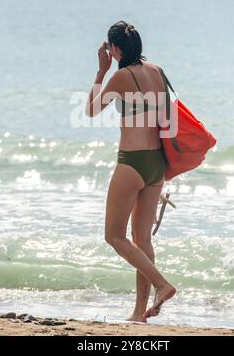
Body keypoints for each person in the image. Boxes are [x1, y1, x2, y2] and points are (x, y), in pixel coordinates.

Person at [85, 20, 176, 322]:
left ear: (114, 49)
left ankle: (162, 286)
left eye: (110, 48)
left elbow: (91, 110)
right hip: (156, 165)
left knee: (114, 236)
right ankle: (139, 313)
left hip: (132, 163)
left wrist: (101, 71)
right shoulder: (158, 72)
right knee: (143, 241)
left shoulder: (122, 77)